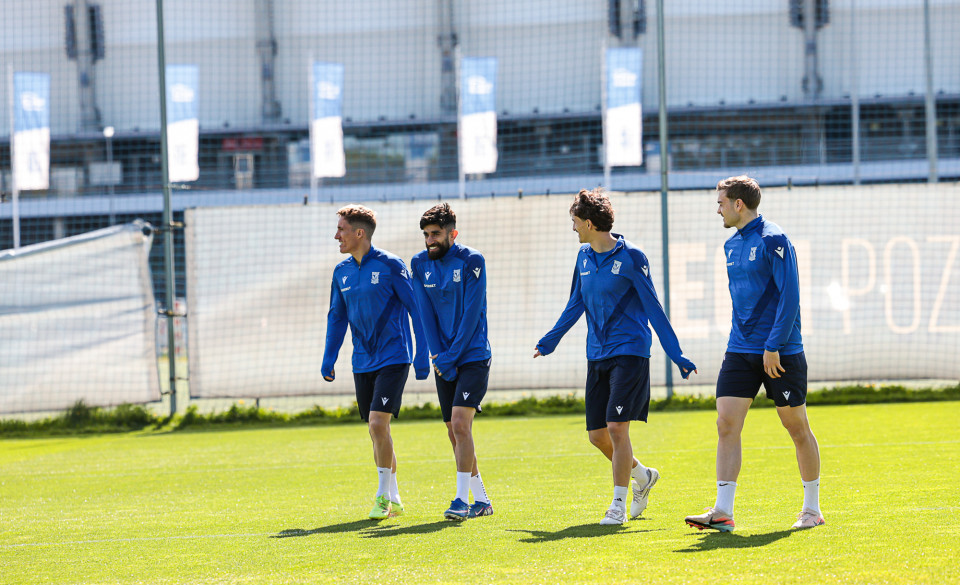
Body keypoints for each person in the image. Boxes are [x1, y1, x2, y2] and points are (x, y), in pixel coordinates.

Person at [534, 188, 698, 526]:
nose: (573, 228)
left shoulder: (633, 257)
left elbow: (654, 308)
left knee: (617, 428)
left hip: (630, 352)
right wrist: (550, 341)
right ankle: (643, 475)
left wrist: (677, 354)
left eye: (575, 222)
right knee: (598, 436)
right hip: (596, 354)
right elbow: (575, 304)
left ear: (590, 223)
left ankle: (618, 505)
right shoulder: (583, 257)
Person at [685, 175, 824, 532]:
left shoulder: (774, 239)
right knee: (726, 423)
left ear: (738, 204)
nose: (717, 209)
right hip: (739, 350)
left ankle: (812, 509)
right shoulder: (731, 245)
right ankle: (723, 512)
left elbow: (790, 296)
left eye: (721, 203)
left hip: (780, 351)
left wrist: (773, 346)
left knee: (796, 427)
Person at [321, 204, 429, 520]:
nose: (336, 236)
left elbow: (417, 310)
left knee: (378, 424)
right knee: (377, 431)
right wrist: (329, 357)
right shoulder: (341, 272)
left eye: (341, 230)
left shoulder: (391, 265)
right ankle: (394, 496)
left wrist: (422, 355)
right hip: (361, 362)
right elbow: (336, 317)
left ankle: (382, 497)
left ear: (359, 233)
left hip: (394, 357)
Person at [410, 203, 494, 521]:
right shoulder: (418, 264)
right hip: (443, 359)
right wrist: (438, 356)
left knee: (460, 423)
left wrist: (451, 356)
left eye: (435, 234)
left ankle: (460, 500)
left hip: (473, 355)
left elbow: (472, 314)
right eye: (426, 235)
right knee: (453, 430)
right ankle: (482, 499)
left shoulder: (472, 260)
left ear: (452, 234)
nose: (430, 240)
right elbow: (425, 315)